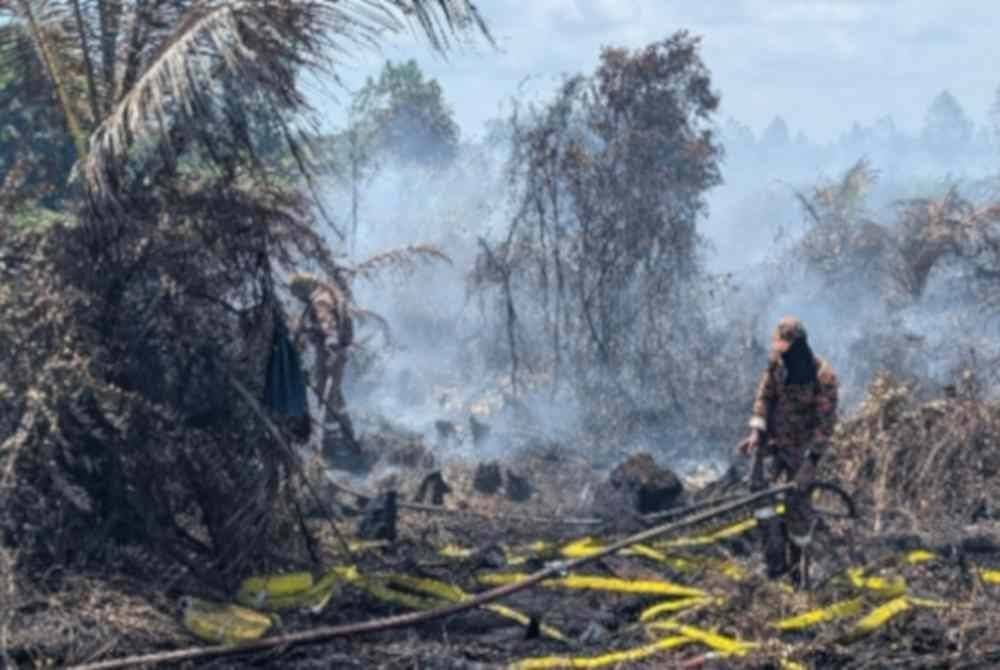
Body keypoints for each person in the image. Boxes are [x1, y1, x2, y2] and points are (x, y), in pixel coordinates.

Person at [738, 316, 838, 584]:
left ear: (800, 347)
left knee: (798, 507)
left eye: (787, 350)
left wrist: (810, 465)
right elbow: (764, 396)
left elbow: (824, 426)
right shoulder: (777, 364)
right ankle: (774, 561)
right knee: (758, 490)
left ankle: (797, 571)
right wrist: (756, 432)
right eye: (779, 350)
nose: (783, 357)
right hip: (772, 443)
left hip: (801, 451)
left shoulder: (823, 377)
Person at [289, 271, 360, 465]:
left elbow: (328, 327)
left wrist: (331, 349)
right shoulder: (327, 294)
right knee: (334, 398)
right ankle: (350, 440)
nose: (298, 299)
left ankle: (324, 452)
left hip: (330, 356)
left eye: (297, 295)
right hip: (331, 355)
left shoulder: (320, 300)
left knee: (326, 402)